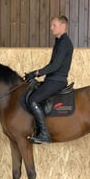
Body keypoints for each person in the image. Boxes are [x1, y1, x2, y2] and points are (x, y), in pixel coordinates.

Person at [25, 15, 74, 144]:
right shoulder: (59, 42)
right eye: (51, 25)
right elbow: (51, 64)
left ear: (63, 27)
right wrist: (35, 74)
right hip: (52, 79)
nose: (51, 28)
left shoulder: (64, 43)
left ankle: (44, 135)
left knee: (33, 100)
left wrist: (36, 73)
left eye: (54, 25)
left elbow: (55, 66)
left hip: (56, 81)